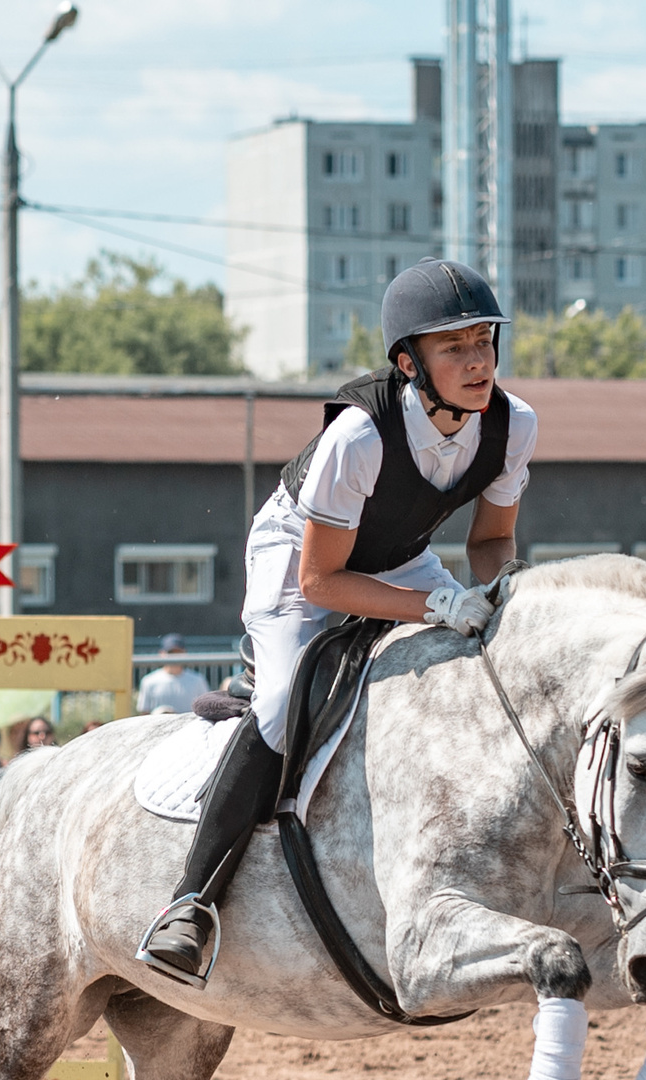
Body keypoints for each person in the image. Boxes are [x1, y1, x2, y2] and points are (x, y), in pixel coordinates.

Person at [136, 258, 533, 986]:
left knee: (489, 654)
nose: (478, 361)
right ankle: (190, 904)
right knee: (284, 703)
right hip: (296, 557)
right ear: (409, 362)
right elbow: (322, 580)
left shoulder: (512, 425)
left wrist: (497, 592)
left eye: (484, 341)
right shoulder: (359, 435)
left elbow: (490, 539)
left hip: (400, 556)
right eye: (455, 347)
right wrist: (435, 605)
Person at [137, 633, 210, 716]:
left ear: (185, 653)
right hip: (160, 724)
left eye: (179, 652)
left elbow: (206, 708)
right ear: (161, 653)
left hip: (189, 724)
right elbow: (144, 713)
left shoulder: (198, 680)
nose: (175, 656)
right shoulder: (149, 681)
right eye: (171, 653)